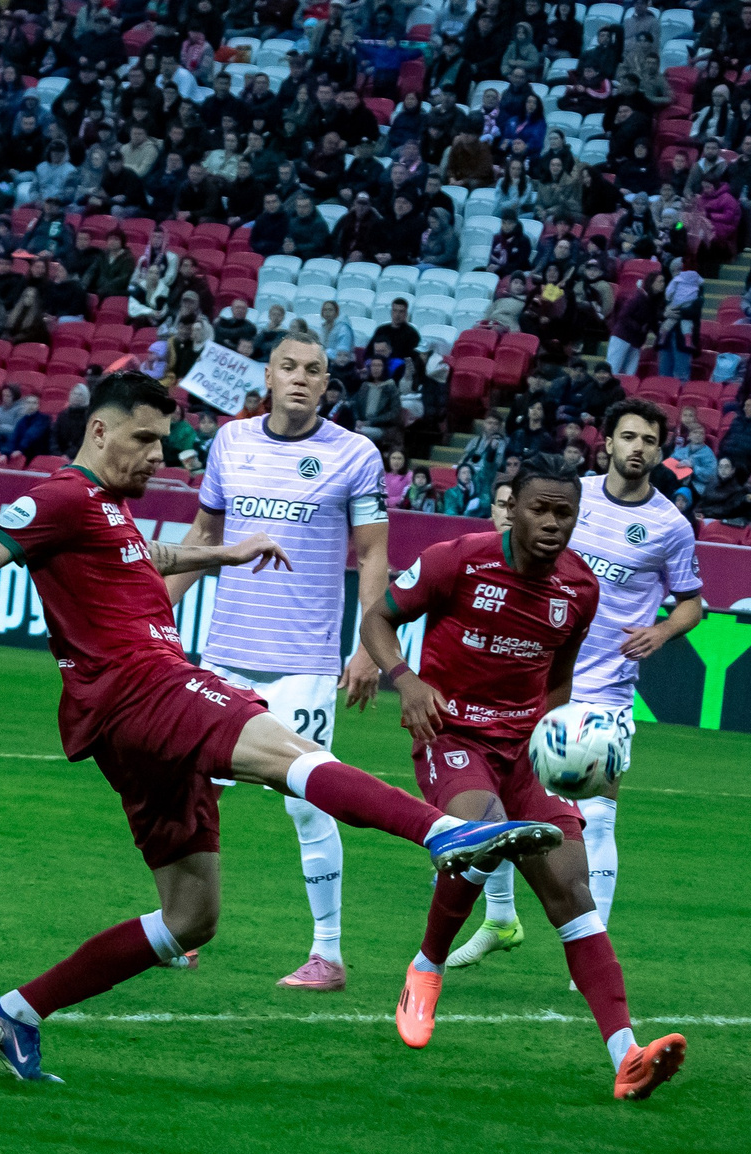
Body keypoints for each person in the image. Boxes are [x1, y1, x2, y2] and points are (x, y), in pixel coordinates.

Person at [0, 373, 564, 1084]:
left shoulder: (106, 507)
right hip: (142, 686)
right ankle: (444, 833)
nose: (160, 456)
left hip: (130, 717)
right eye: (144, 439)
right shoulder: (60, 494)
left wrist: (223, 553)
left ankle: (17, 1011)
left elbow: (145, 557)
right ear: (99, 430)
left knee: (191, 916)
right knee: (290, 749)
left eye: (165, 441)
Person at [358, 460, 689, 1102]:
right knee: (480, 832)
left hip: (524, 749)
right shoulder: (457, 559)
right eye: (539, 508)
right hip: (451, 735)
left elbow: (556, 679)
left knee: (573, 890)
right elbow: (378, 618)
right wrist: (405, 680)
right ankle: (426, 967)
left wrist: (559, 742)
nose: (551, 523)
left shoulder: (579, 590)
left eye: (564, 513)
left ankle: (627, 1055)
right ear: (513, 509)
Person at [168, 333, 389, 990]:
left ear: (327, 384)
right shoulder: (231, 443)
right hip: (224, 656)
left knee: (308, 801)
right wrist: (153, 609)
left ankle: (328, 954)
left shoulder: (355, 455)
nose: (299, 378)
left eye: (313, 370)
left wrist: (368, 647)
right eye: (288, 366)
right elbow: (204, 538)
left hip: (305, 661)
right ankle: (182, 928)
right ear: (266, 375)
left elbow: (374, 555)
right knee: (189, 793)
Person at [450, 402, 705, 968]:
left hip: (606, 690)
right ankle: (500, 918)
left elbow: (693, 603)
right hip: (530, 675)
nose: (637, 447)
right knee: (494, 806)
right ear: (607, 444)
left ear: (659, 452)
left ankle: (590, 953)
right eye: (628, 437)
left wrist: (662, 630)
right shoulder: (570, 498)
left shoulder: (669, 526)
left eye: (648, 440)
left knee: (598, 818)